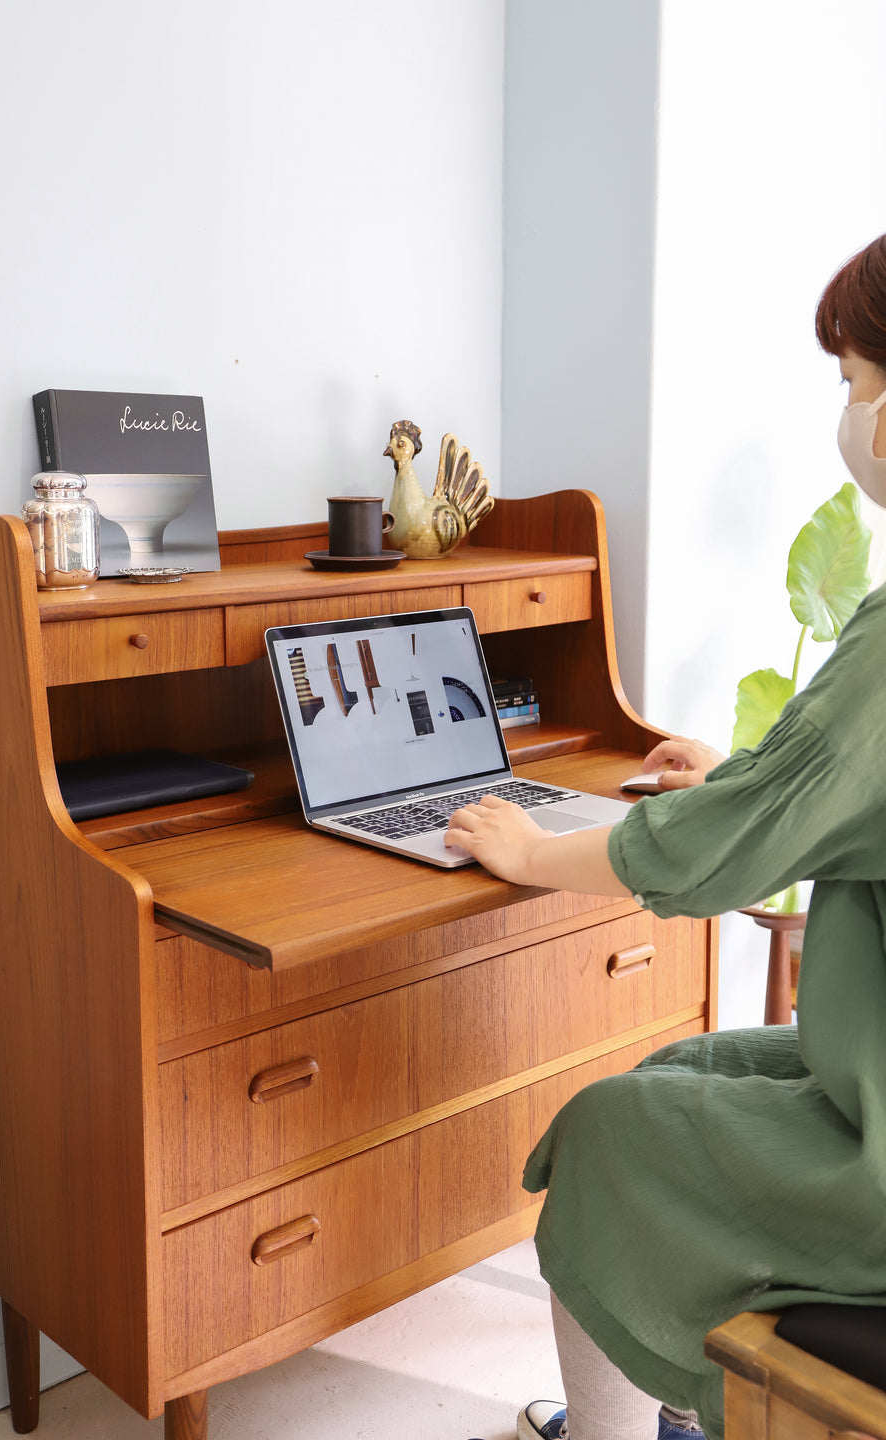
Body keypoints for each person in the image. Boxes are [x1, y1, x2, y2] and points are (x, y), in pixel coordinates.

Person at [446, 233, 886, 1440]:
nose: (854, 419)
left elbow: (735, 854)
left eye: (854, 382)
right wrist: (735, 775)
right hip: (866, 1066)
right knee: (666, 1080)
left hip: (881, 1144)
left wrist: (535, 852)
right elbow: (845, 798)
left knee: (604, 1136)